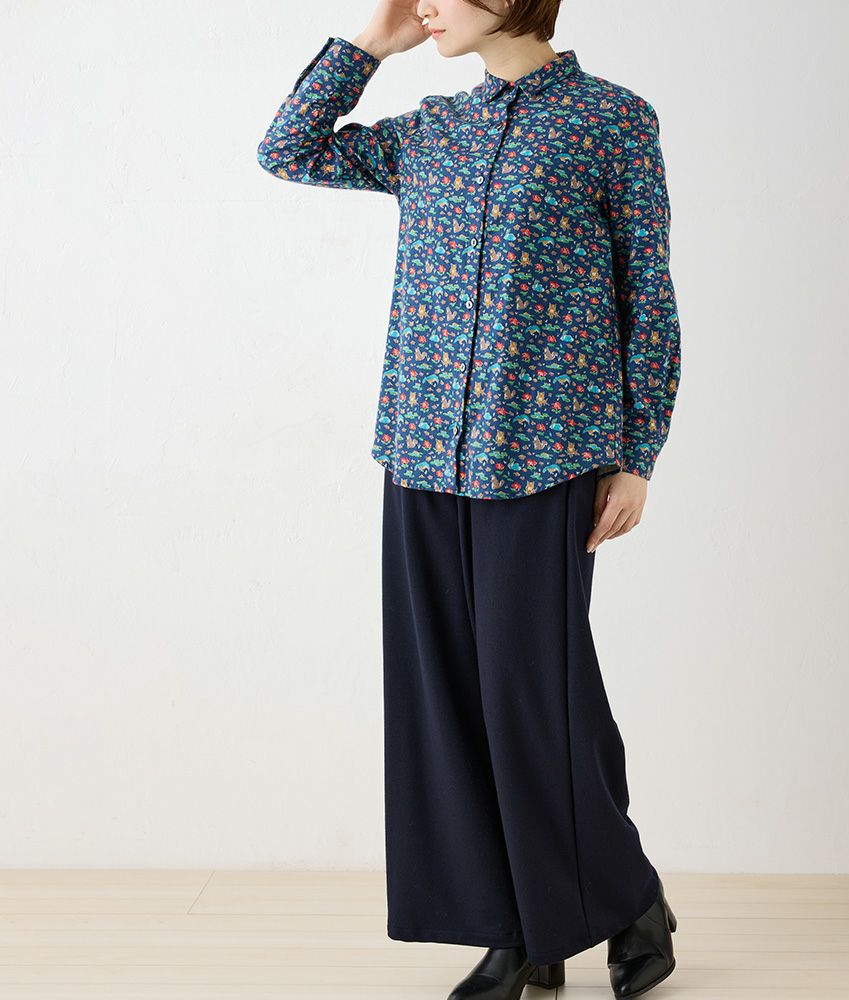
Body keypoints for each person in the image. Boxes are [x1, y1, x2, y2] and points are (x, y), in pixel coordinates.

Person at [257, 1, 681, 997]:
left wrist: (638, 454)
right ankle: (523, 925)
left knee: (533, 697)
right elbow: (286, 149)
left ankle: (619, 896)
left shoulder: (611, 120)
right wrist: (372, 45)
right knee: (447, 702)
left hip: (546, 453)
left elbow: (648, 293)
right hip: (420, 451)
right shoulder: (430, 131)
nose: (423, 4)